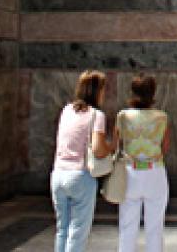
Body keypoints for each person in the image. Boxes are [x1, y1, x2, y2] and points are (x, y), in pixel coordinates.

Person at [51, 70, 111, 252]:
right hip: (80, 175)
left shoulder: (66, 110)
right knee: (77, 231)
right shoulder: (96, 115)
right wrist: (112, 147)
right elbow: (98, 149)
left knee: (62, 229)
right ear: (97, 91)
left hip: (58, 175)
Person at [115, 74, 171, 252]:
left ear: (133, 92)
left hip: (129, 172)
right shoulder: (161, 117)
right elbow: (165, 147)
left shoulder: (123, 116)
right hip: (154, 172)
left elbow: (117, 144)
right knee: (154, 228)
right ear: (153, 92)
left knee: (127, 226)